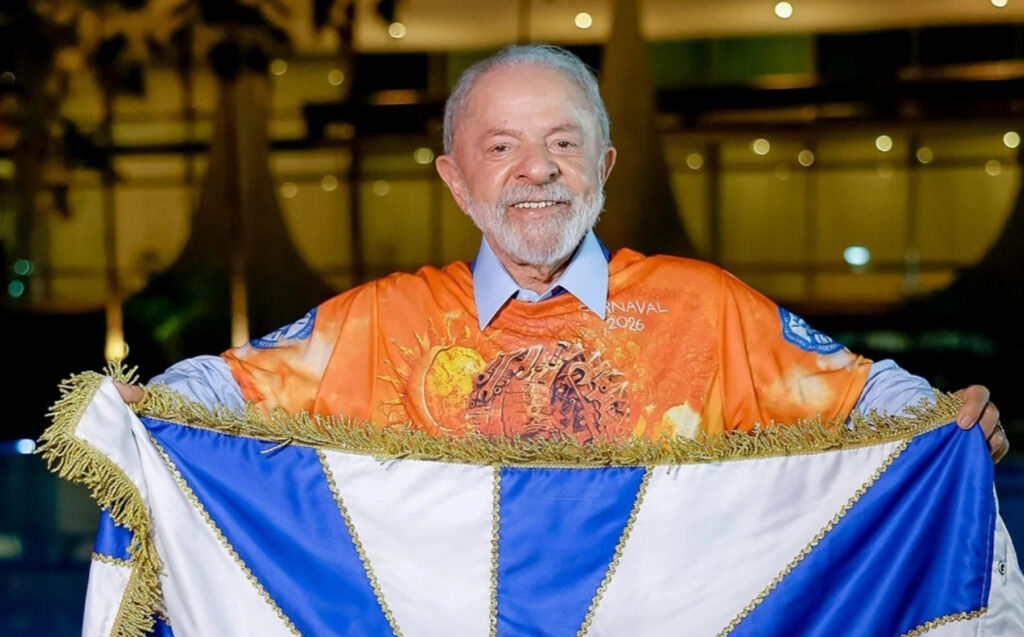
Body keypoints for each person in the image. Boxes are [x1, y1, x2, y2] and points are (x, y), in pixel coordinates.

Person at [117, 44, 1008, 459]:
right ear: (456, 180)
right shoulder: (384, 322)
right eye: (501, 146)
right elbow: (223, 387)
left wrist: (946, 418)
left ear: (604, 167)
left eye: (564, 142)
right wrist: (134, 407)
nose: (537, 169)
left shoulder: (703, 308)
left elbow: (859, 393)